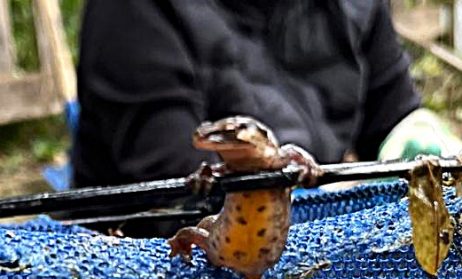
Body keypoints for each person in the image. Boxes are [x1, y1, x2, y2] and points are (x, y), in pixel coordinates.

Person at [72, 0, 461, 234]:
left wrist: (419, 136)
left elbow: (393, 117)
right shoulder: (132, 12)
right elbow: (175, 197)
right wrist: (329, 205)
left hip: (313, 250)